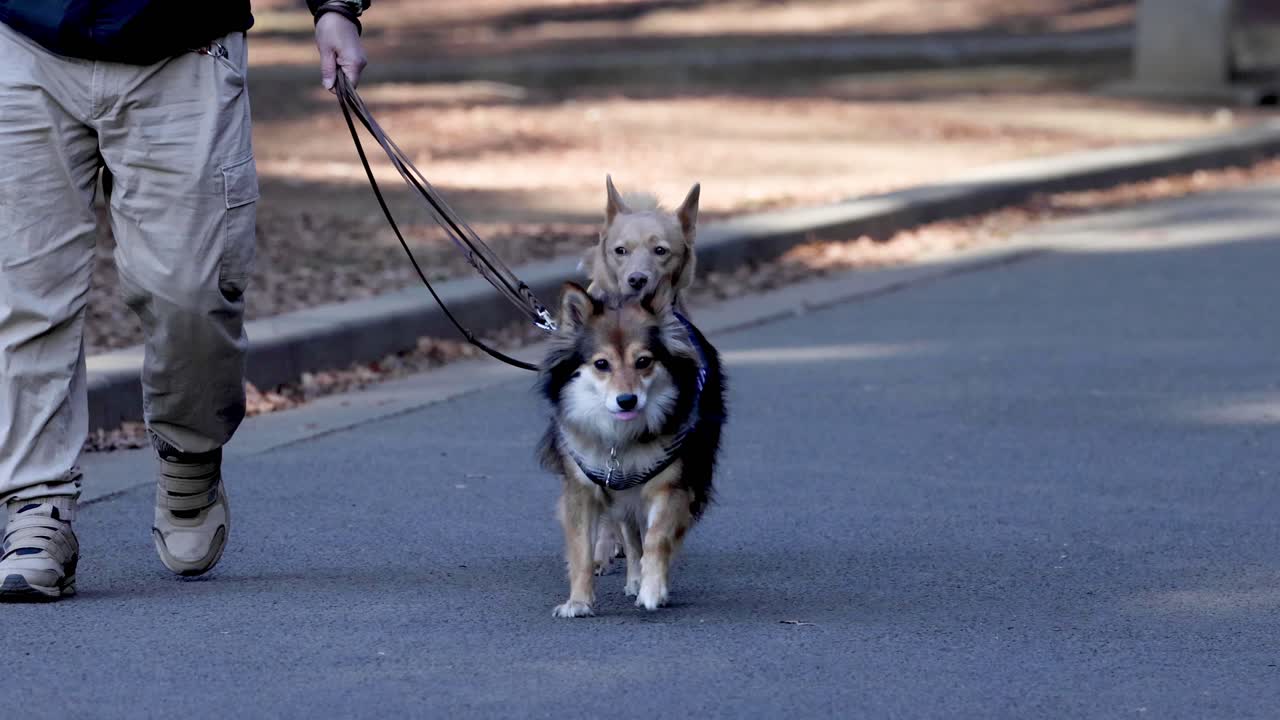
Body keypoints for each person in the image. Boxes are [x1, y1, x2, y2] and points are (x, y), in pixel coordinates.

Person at [0, 1, 371, 600]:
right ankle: (35, 505)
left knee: (192, 293)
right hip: (24, 39)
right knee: (25, 294)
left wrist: (334, 7)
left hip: (182, 43)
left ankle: (189, 451)